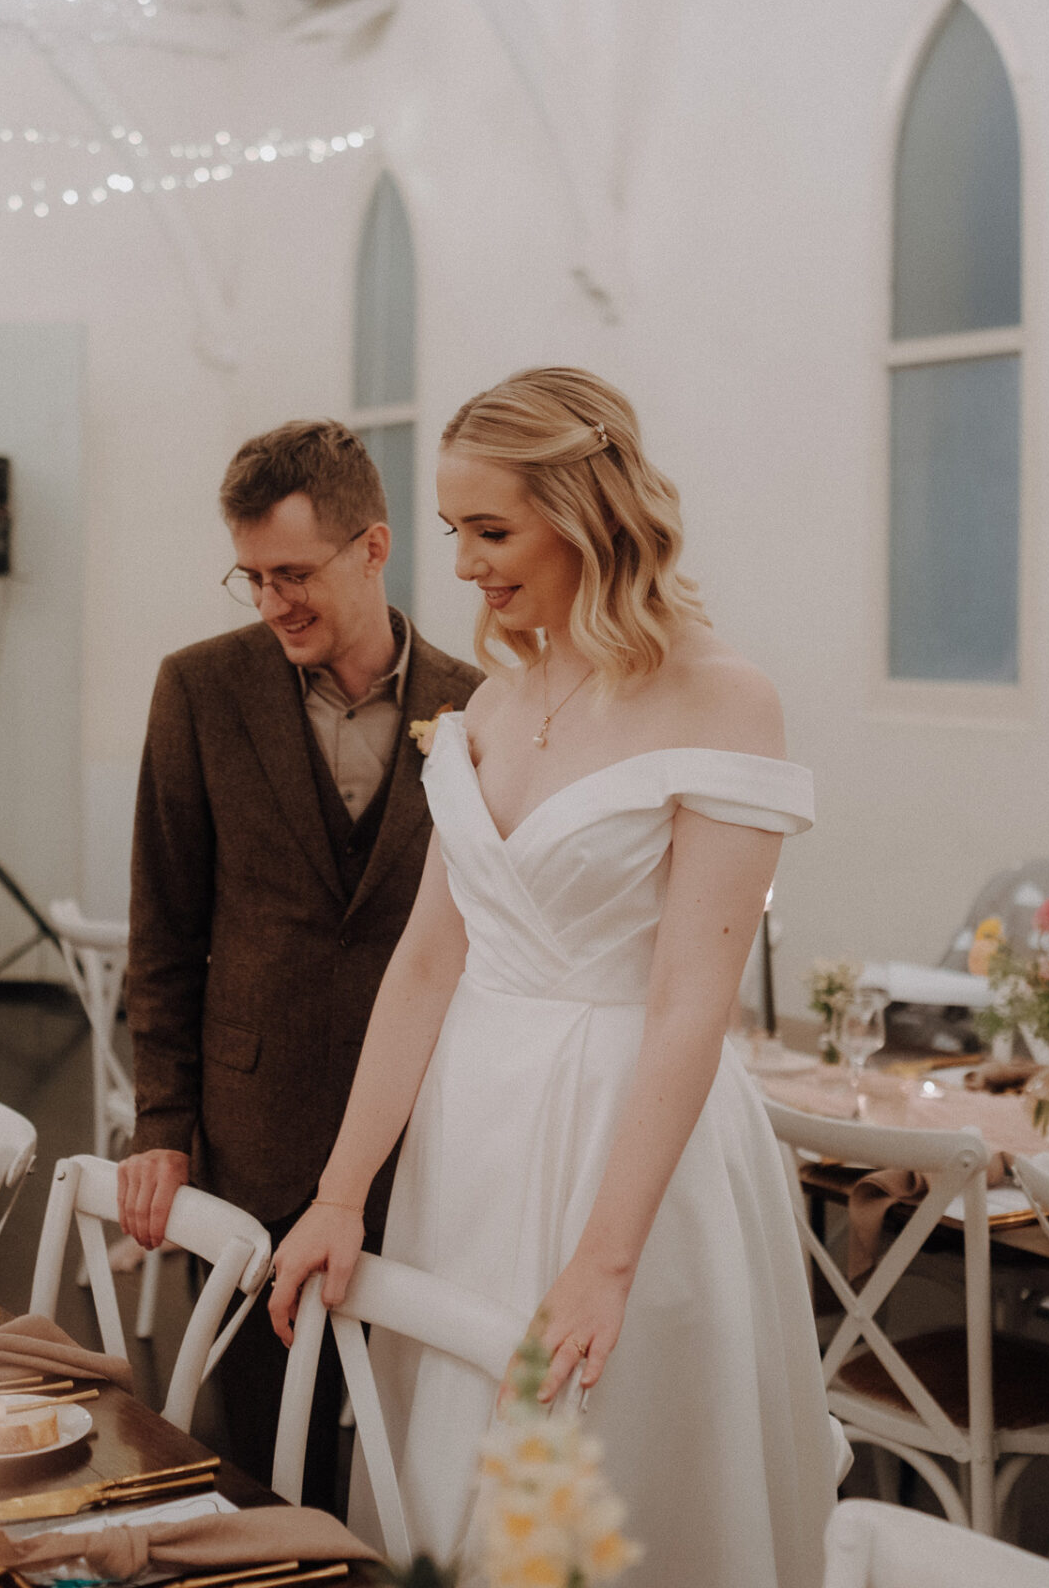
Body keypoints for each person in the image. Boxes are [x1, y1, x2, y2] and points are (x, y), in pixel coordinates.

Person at [266, 369, 836, 1585]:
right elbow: (427, 962)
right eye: (454, 532)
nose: (465, 565)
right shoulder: (488, 708)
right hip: (470, 1137)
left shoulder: (725, 700)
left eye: (493, 530)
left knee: (611, 1485)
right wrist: (340, 1191)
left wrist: (604, 1256)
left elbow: (693, 1002)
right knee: (454, 1481)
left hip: (628, 1146)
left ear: (587, 512)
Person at [118, 420, 483, 1503]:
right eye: (253, 577)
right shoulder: (199, 689)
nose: (273, 601)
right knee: (258, 1459)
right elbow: (164, 926)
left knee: (410, 1451)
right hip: (253, 1134)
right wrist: (162, 1122)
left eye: (294, 573)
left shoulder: (478, 706)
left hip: (427, 1144)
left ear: (373, 548)